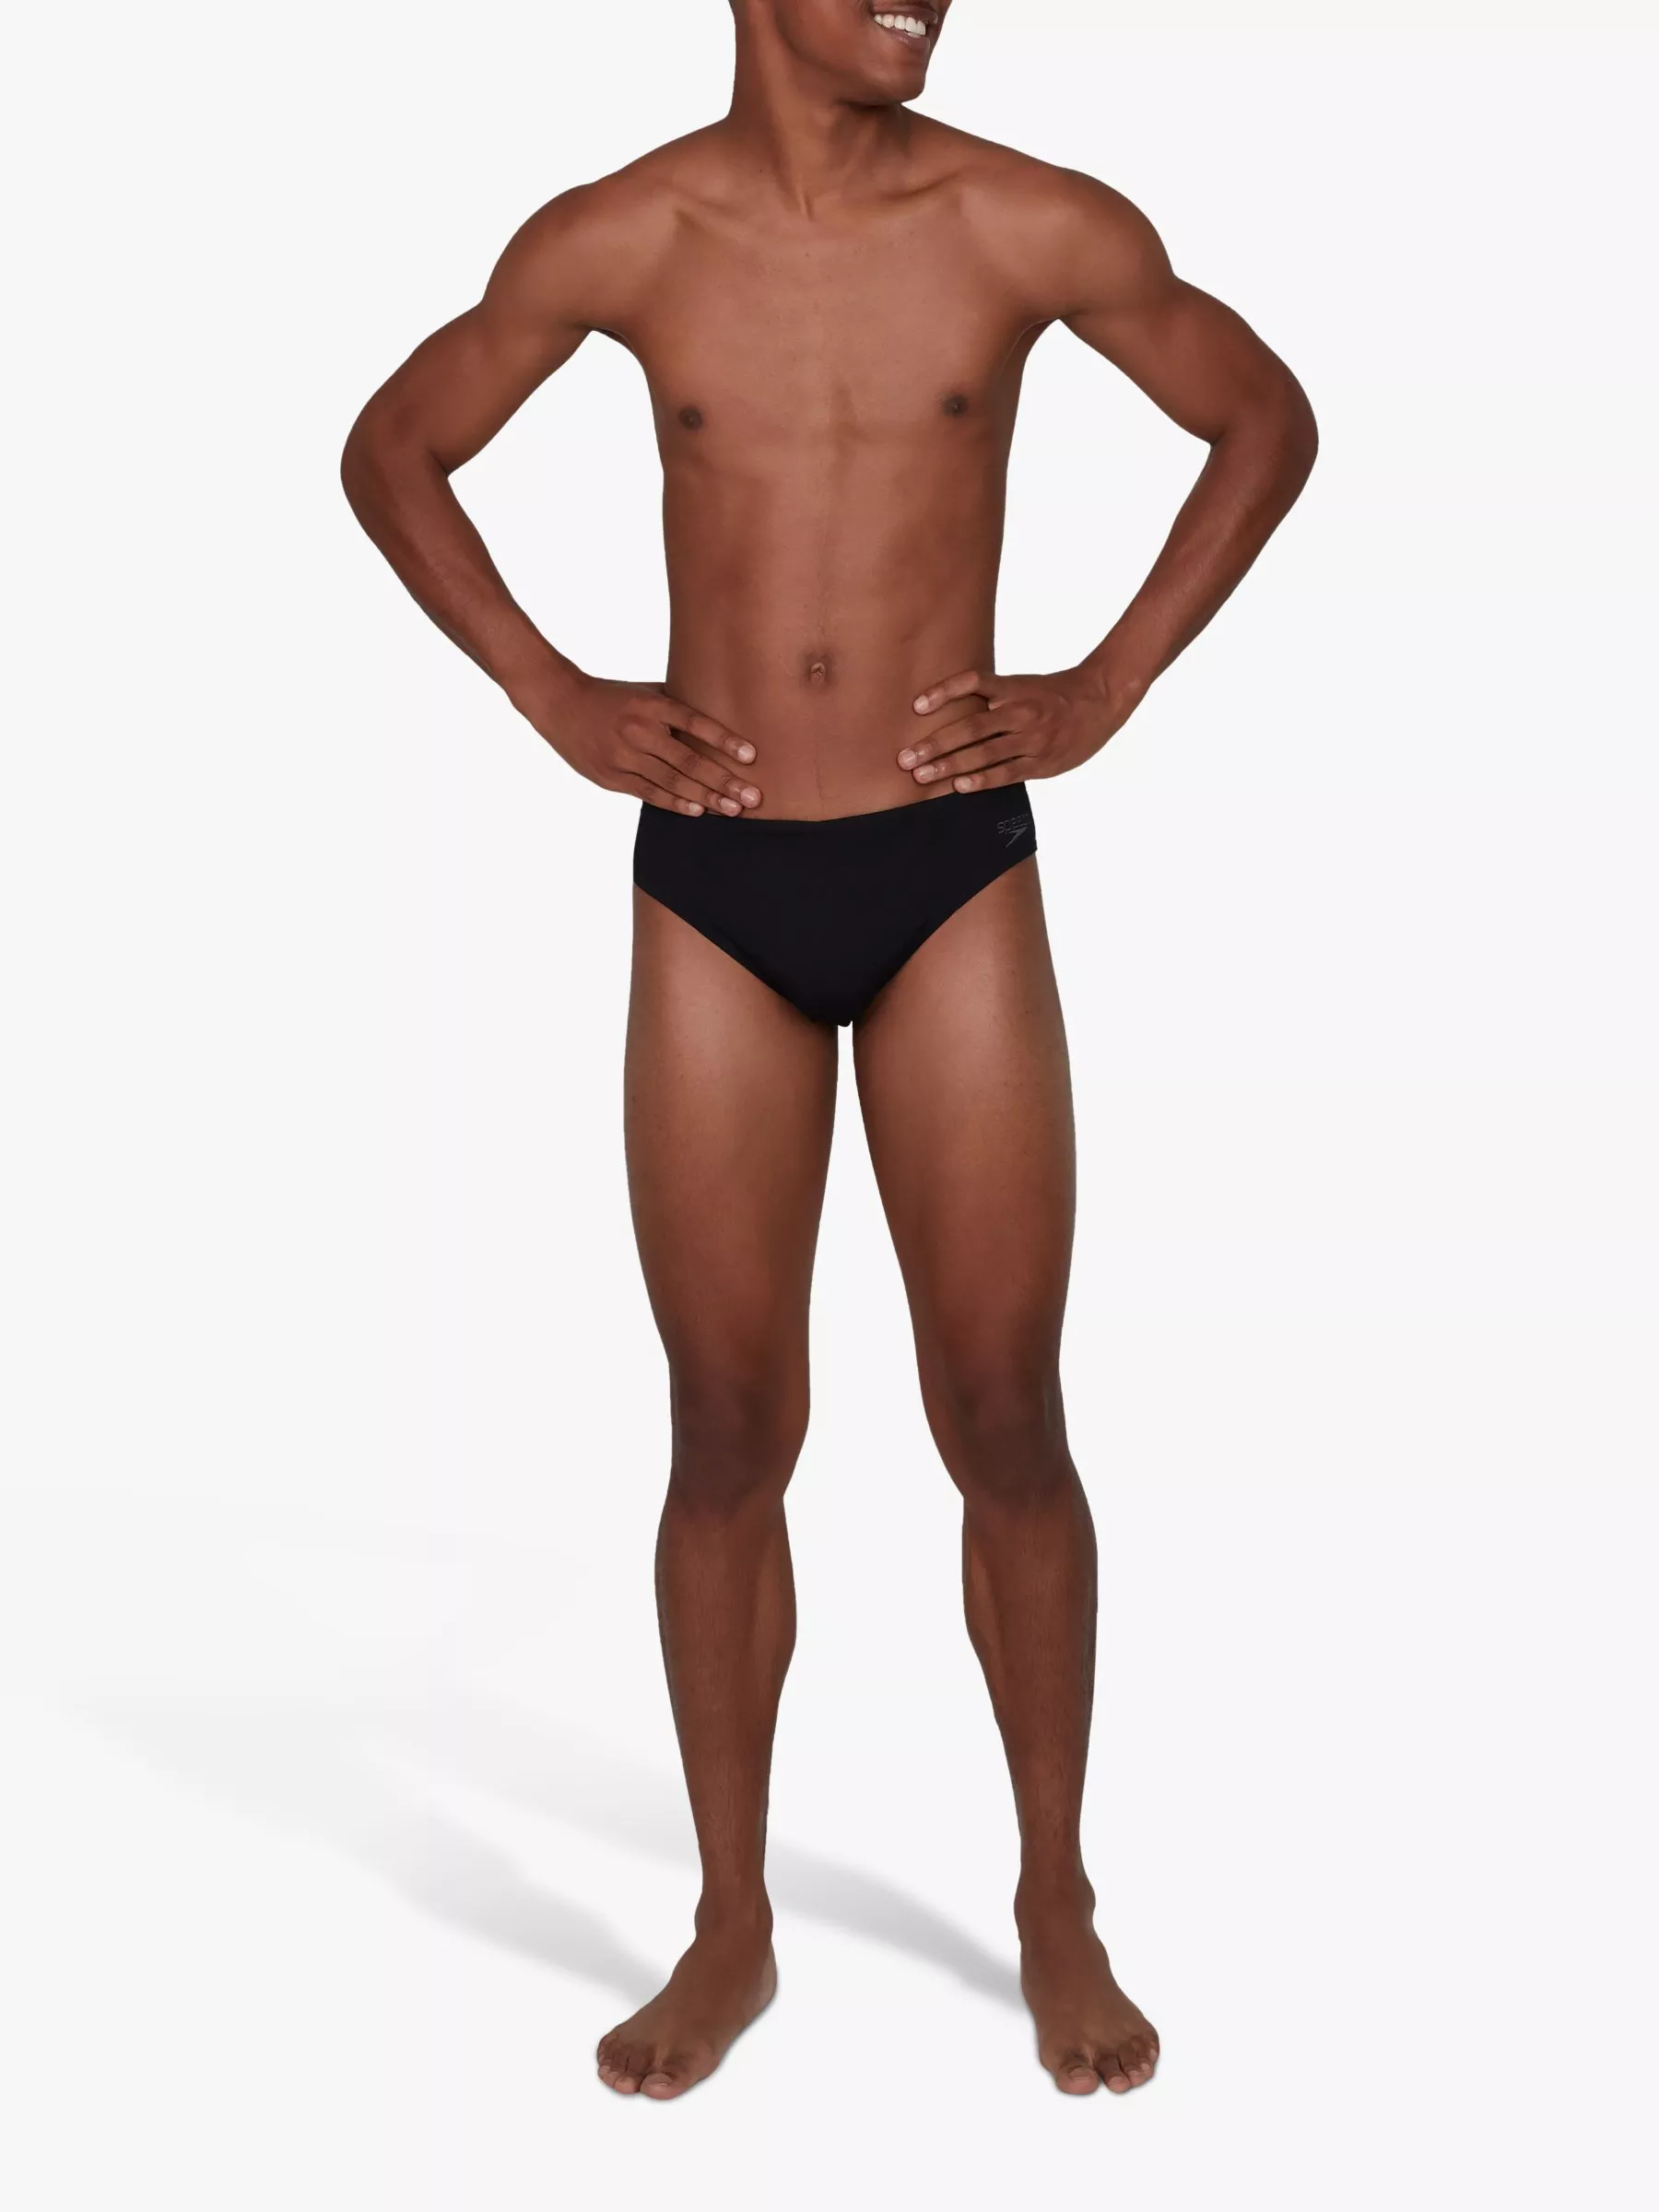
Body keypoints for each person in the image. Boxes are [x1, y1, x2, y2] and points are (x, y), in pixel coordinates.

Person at [341, 0, 1316, 2103]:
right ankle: (731, 1921)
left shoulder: (1024, 220)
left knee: (1004, 1411)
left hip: (950, 873)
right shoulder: (624, 234)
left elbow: (1263, 415)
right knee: (724, 1427)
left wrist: (1107, 684)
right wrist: (550, 692)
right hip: (715, 886)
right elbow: (391, 448)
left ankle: (1055, 1895)